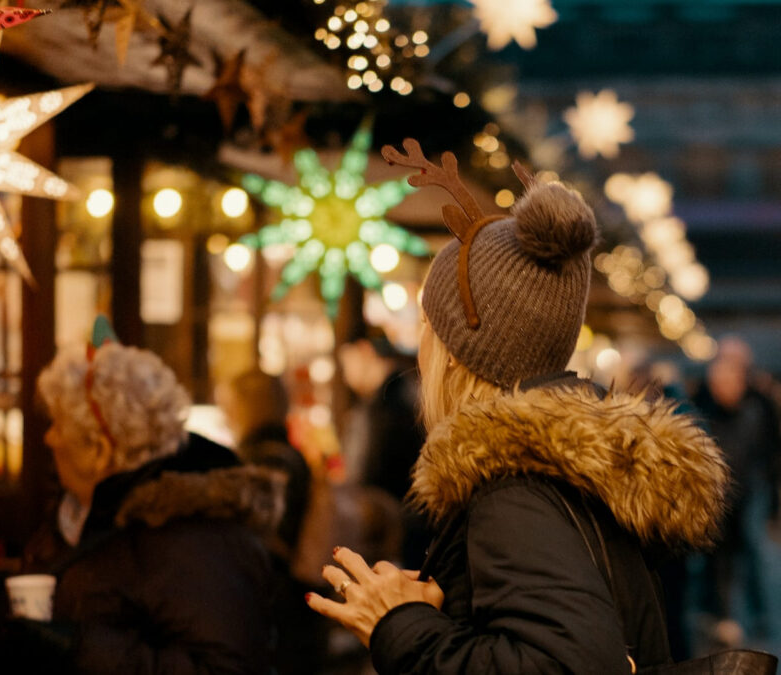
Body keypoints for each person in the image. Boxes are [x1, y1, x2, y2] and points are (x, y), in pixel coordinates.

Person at [305, 146, 730, 673]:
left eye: (427, 326)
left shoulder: (514, 489)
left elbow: (568, 663)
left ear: (456, 352)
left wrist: (401, 626)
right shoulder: (564, 471)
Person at [0, 323, 278, 674]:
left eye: (56, 424)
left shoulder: (194, 537)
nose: (49, 439)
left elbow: (227, 668)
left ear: (98, 450)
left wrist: (76, 649)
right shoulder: (83, 515)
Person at [223, 370, 320, 675]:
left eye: (229, 404)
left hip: (274, 603)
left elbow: (262, 537)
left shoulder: (267, 460)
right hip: (285, 602)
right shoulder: (286, 455)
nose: (226, 414)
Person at [692, 352, 774, 645]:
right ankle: (722, 615)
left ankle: (758, 614)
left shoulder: (755, 411)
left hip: (749, 494)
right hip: (717, 499)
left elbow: (765, 452)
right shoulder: (702, 414)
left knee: (752, 557)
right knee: (718, 562)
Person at [338, 336, 429, 567]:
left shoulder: (391, 403)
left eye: (346, 362)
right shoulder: (399, 394)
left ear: (364, 350)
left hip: (399, 533)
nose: (346, 375)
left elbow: (374, 473)